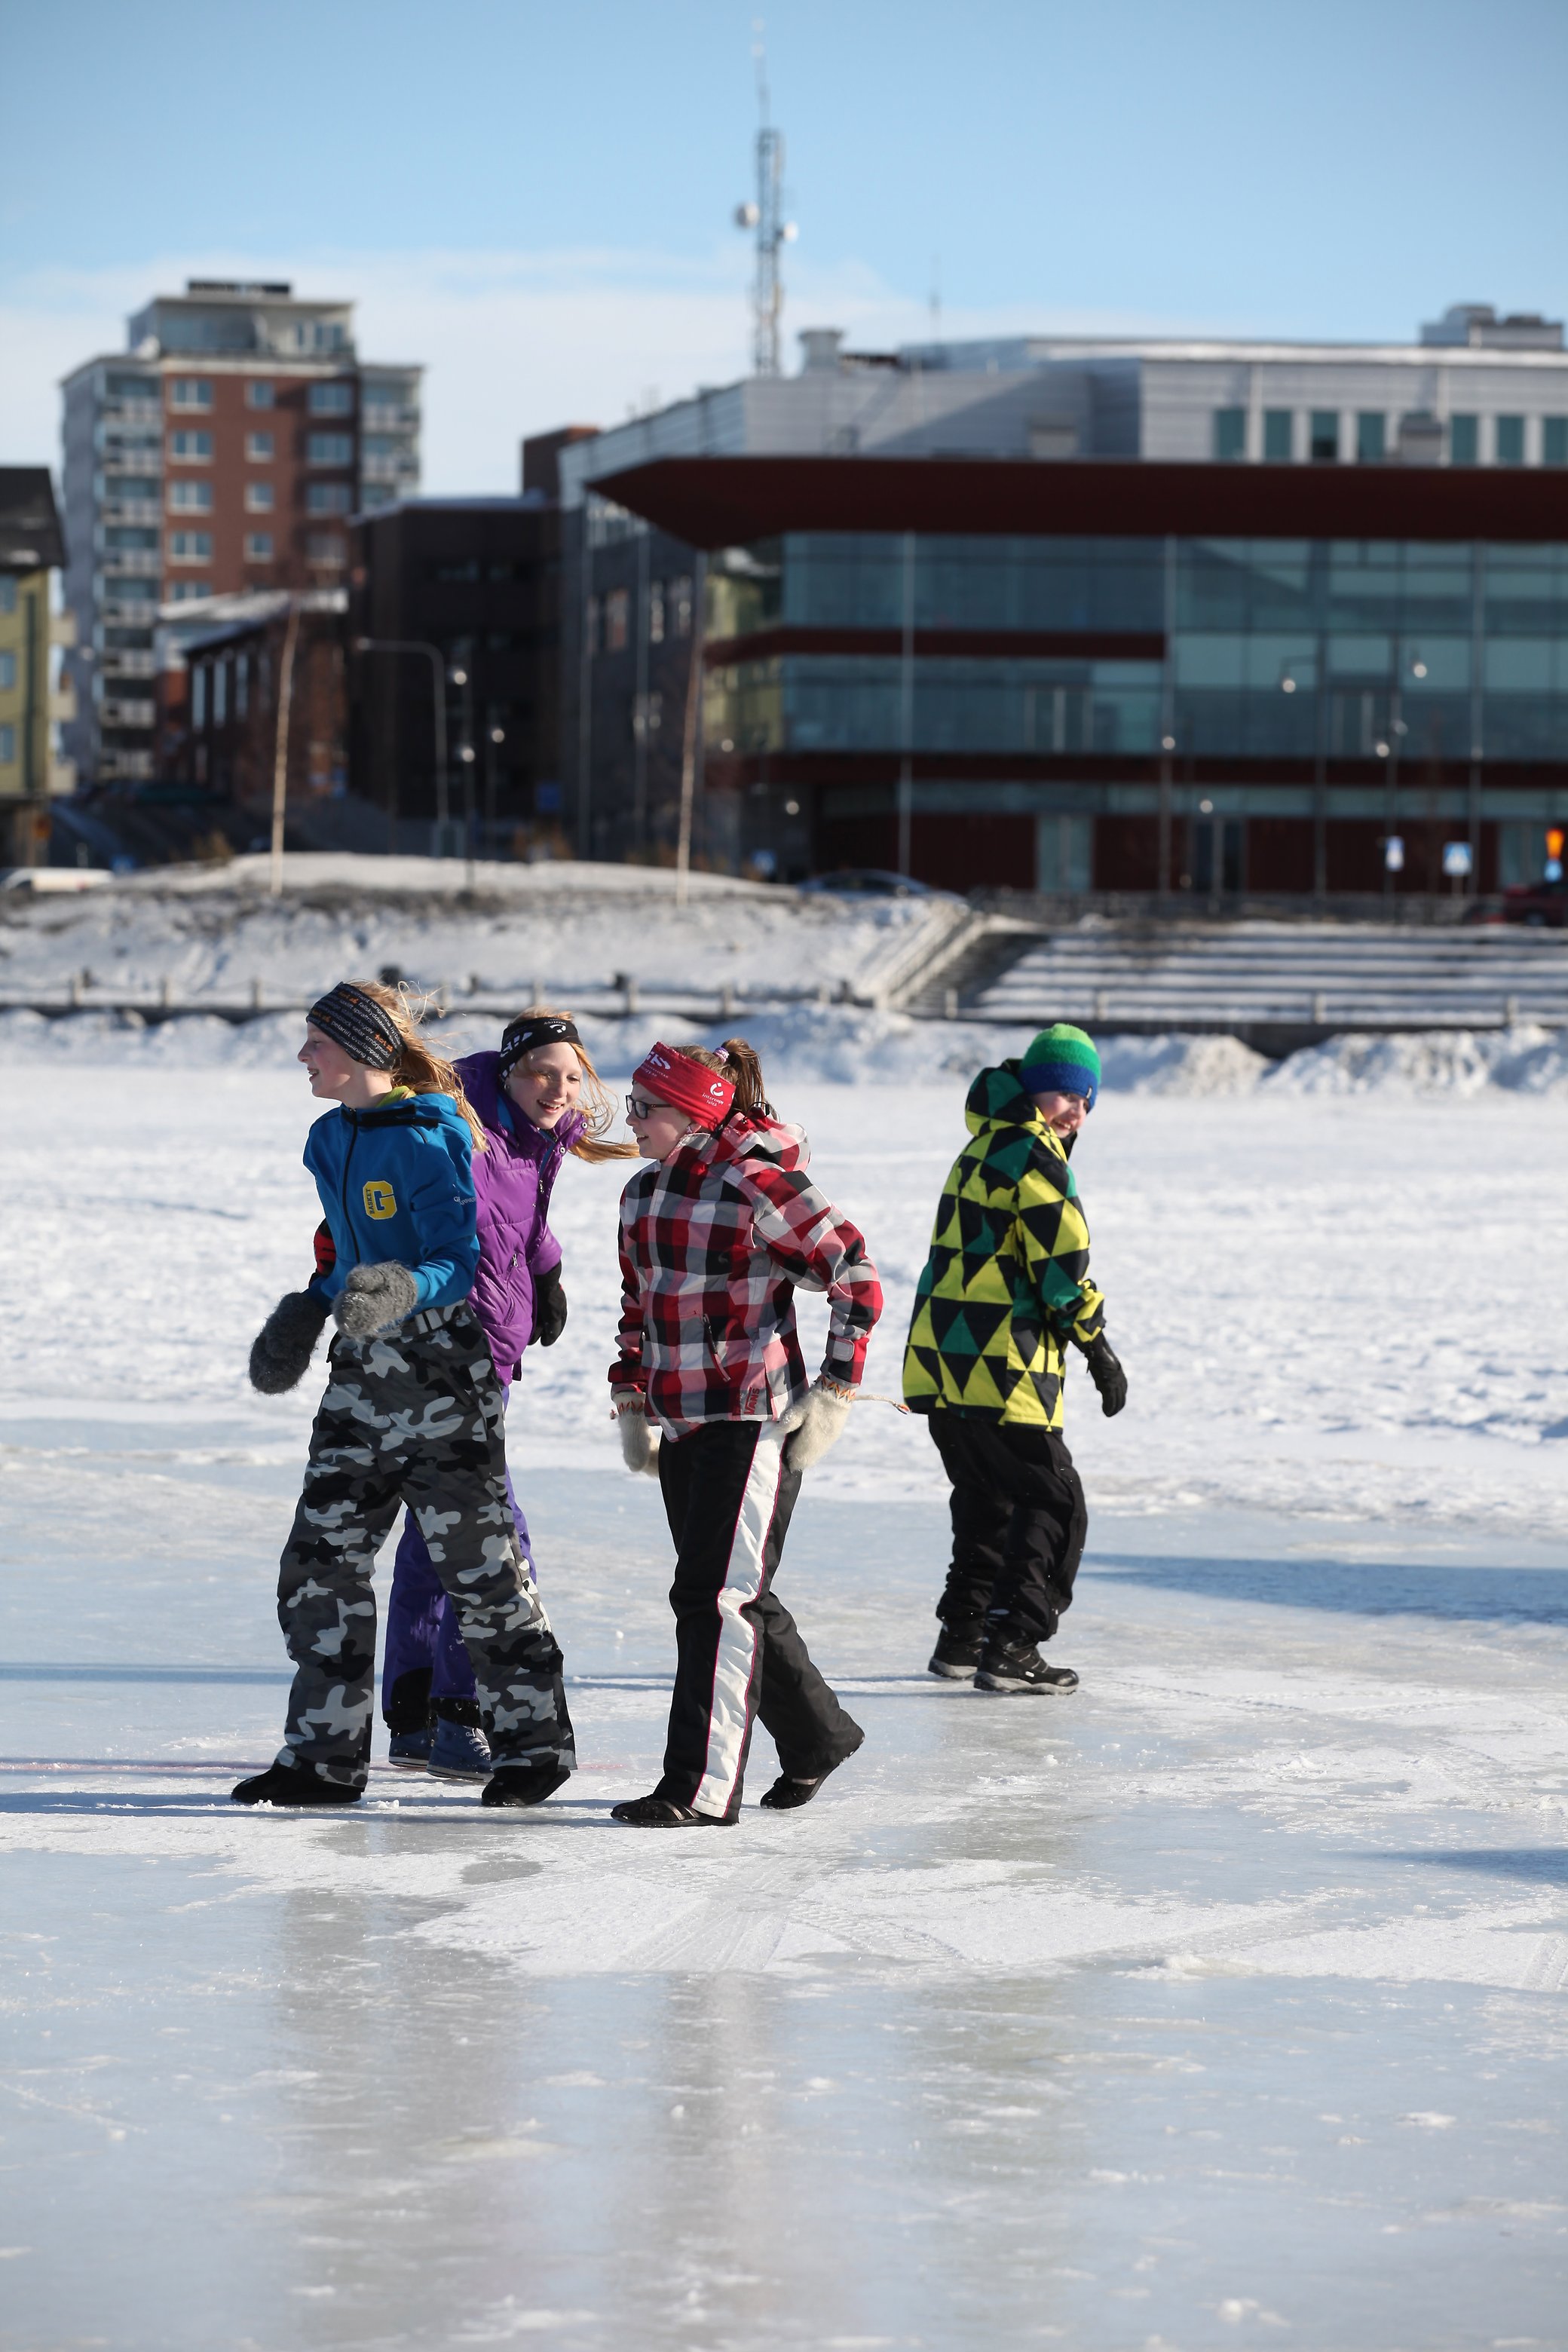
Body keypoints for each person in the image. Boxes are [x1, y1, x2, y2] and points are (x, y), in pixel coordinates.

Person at [234, 980, 576, 1809]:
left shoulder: (435, 1139)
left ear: (358, 1051)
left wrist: (396, 1288)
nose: (303, 1057)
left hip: (441, 1373)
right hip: (359, 1377)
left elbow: (456, 1261)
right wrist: (310, 1310)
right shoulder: (327, 1140)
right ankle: (321, 1759)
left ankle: (533, 1748)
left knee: (482, 1571)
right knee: (318, 1564)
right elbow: (343, 1252)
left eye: (316, 1042)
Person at [608, 1037, 882, 1827]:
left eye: (646, 1109)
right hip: (678, 1415)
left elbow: (856, 1278)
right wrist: (630, 1397)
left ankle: (698, 1788)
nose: (632, 1121)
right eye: (632, 1105)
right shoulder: (641, 1193)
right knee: (729, 1591)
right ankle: (817, 1737)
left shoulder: (758, 1183)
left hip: (751, 1416)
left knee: (713, 1598)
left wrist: (834, 1390)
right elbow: (638, 1304)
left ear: (693, 1114)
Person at [377, 1009, 632, 1779]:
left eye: (569, 1074)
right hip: (450, 1349)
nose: (557, 1089)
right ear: (510, 1071)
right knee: (490, 1539)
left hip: (491, 1349)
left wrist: (546, 1267)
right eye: (541, 1073)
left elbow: (520, 1212)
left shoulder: (532, 1130)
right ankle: (463, 1713)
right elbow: (466, 1221)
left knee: (433, 1533)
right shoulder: (463, 1123)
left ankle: (413, 1716)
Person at [902, 1023, 1127, 1695]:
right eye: (1063, 1095)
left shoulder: (979, 1148)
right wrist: (1099, 1348)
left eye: (1085, 1102)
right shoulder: (1035, 1157)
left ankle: (965, 1638)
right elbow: (1061, 1273)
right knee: (1055, 1503)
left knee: (987, 1500)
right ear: (1032, 1091)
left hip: (944, 1366)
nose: (1074, 1113)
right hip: (1003, 1367)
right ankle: (1015, 1643)